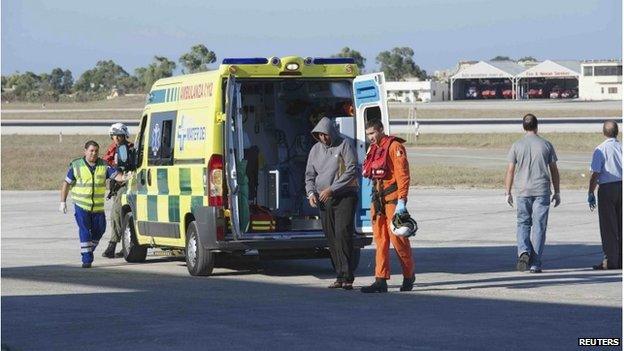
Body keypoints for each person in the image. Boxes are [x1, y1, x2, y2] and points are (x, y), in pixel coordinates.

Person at [360, 119, 415, 293]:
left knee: (398, 240)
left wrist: (402, 201)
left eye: (373, 133)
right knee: (380, 241)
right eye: (368, 134)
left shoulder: (394, 147)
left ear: (381, 130)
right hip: (378, 201)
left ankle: (408, 275)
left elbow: (403, 175)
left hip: (393, 201)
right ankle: (380, 279)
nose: (371, 137)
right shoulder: (374, 149)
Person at [305, 117, 359, 290]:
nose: (323, 138)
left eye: (326, 134)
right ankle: (339, 275)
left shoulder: (344, 144)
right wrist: (311, 193)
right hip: (324, 198)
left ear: (332, 132)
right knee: (331, 237)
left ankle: (348, 276)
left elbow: (352, 169)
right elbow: (309, 175)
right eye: (320, 135)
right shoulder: (315, 150)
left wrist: (333, 188)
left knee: (342, 233)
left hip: (344, 196)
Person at [505, 114, 560, 273]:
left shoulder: (516, 145)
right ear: (537, 126)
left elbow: (510, 170)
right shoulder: (546, 145)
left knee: (523, 223)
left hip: (522, 190)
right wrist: (557, 192)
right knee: (539, 226)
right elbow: (554, 170)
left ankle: (523, 251)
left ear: (523, 127)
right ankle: (535, 263)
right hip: (541, 190)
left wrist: (507, 192)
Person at [60, 140, 128, 268]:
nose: (94, 153)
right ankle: (87, 260)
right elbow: (66, 183)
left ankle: (88, 250)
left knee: (100, 230)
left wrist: (125, 178)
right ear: (85, 151)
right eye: (91, 151)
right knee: (85, 231)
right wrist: (63, 202)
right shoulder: (76, 165)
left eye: (96, 151)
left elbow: (116, 176)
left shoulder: (104, 165)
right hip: (81, 205)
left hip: (97, 207)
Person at [587, 120, 622, 270]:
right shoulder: (621, 147)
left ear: (603, 132)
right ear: (617, 132)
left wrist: (590, 192)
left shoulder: (600, 149)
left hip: (607, 188)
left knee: (608, 227)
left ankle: (611, 261)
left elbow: (595, 173)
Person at [101, 123, 134, 259]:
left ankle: (112, 245)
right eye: (115, 136)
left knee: (116, 214)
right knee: (122, 216)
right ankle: (127, 246)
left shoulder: (131, 149)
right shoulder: (112, 149)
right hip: (117, 187)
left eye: (120, 136)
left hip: (128, 185)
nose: (117, 138)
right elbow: (104, 164)